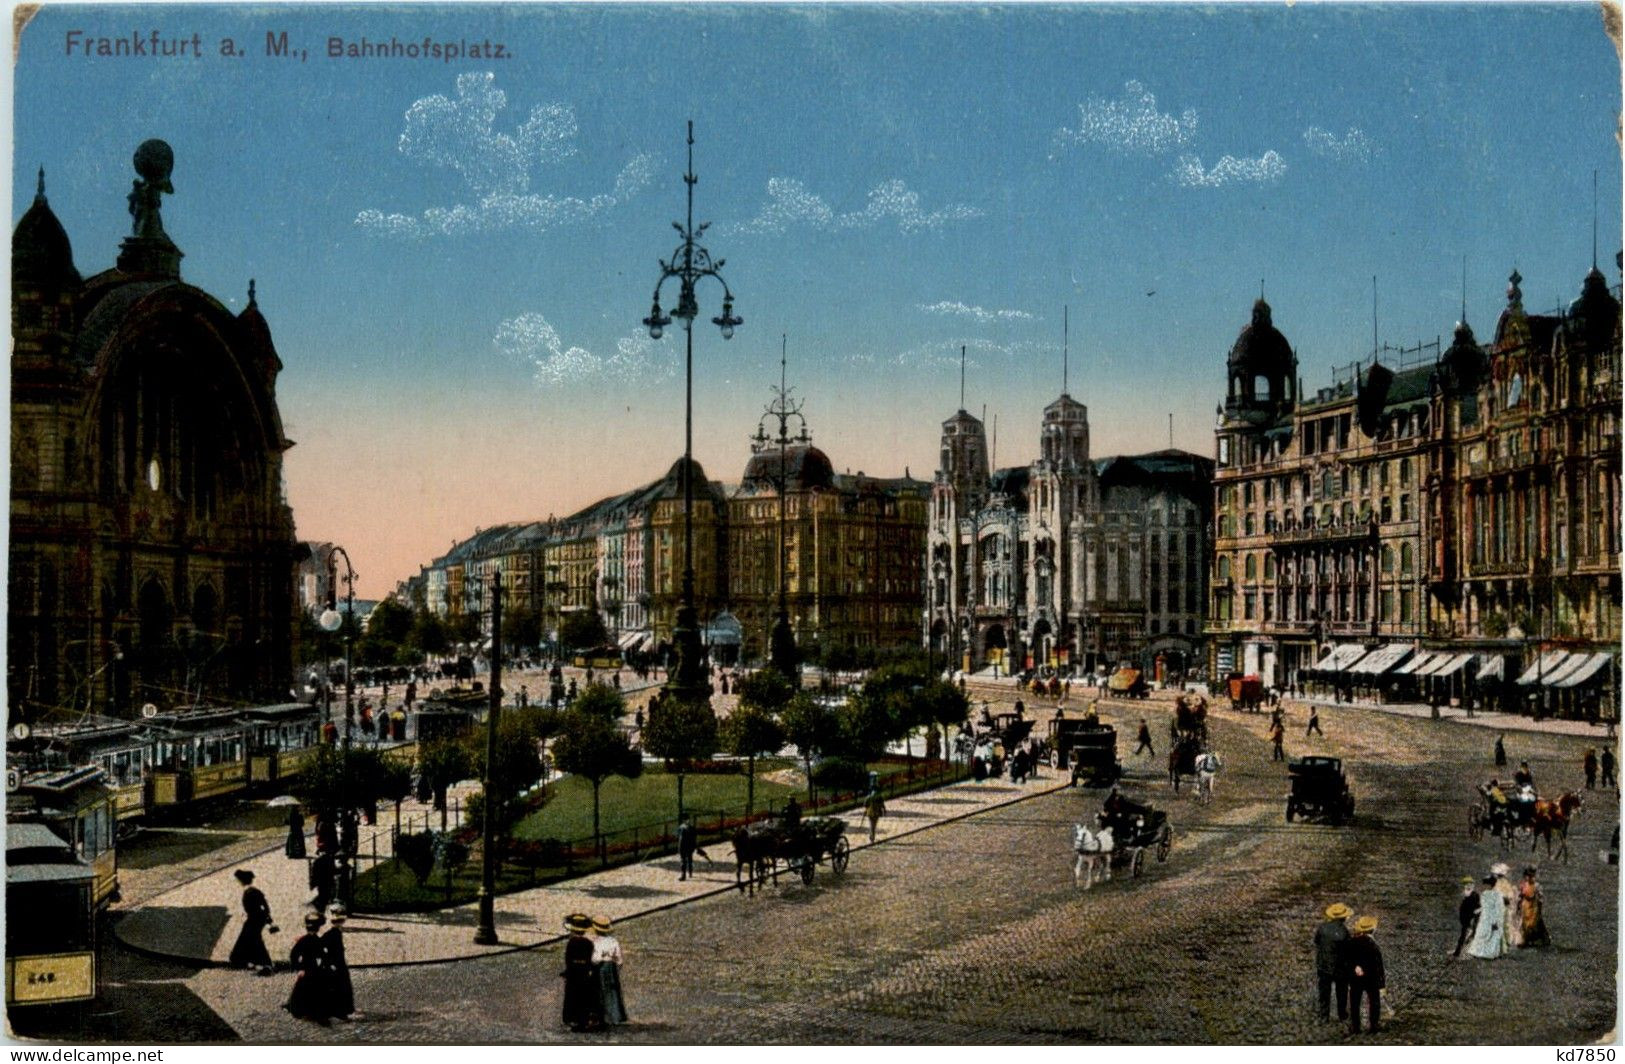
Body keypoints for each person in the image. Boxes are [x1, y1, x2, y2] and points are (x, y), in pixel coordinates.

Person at [284, 911, 330, 1024]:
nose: (314, 930)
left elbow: (322, 954)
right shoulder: (304, 940)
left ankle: (310, 1008)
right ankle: (296, 1008)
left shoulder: (317, 940)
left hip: (314, 968)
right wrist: (300, 968)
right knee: (302, 988)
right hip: (306, 967)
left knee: (313, 988)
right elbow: (294, 955)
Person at [227, 869, 276, 974]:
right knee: (252, 940)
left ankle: (265, 965)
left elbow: (259, 907)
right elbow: (265, 906)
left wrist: (265, 919)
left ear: (242, 881)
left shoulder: (249, 892)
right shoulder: (254, 891)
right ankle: (258, 963)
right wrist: (268, 919)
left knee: (254, 941)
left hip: (254, 919)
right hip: (257, 919)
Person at [1344, 915, 1386, 1035]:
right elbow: (1379, 966)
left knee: (1354, 1002)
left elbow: (1346, 959)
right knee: (1374, 1002)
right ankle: (1373, 1026)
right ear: (1373, 930)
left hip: (1355, 977)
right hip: (1371, 978)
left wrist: (1354, 968)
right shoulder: (1373, 945)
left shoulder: (1352, 942)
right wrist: (1382, 985)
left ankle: (1355, 1026)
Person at [560, 913, 601, 1032]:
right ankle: (583, 1018)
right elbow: (590, 959)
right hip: (584, 972)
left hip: (573, 972)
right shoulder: (588, 943)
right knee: (583, 996)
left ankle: (571, 1018)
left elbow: (568, 959)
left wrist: (568, 971)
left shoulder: (571, 942)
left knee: (572, 995)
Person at [1313, 903, 1351, 1021]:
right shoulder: (1344, 932)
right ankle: (1342, 1014)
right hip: (1339, 967)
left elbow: (1317, 941)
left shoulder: (1322, 928)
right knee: (1341, 991)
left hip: (1323, 965)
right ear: (1343, 918)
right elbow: (1348, 950)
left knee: (1324, 991)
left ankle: (1324, 1015)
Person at [592, 916, 627, 1026]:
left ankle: (603, 1016)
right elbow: (619, 959)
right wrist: (616, 968)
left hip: (601, 967)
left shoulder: (596, 942)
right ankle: (616, 1016)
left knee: (600, 991)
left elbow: (595, 959)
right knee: (613, 991)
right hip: (611, 967)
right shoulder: (613, 941)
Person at [321, 907, 355, 1021]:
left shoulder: (332, 933)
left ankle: (338, 1010)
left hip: (337, 963)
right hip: (337, 964)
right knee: (341, 987)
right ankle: (340, 1011)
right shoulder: (334, 934)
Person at [1465, 874, 1506, 959]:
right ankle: (1478, 951)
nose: (1484, 886)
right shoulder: (1484, 895)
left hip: (1492, 917)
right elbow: (1484, 907)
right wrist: (1478, 911)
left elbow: (1499, 909)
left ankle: (1489, 952)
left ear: (1491, 885)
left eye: (1486, 884)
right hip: (1485, 917)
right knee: (1482, 933)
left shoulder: (1497, 895)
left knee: (1492, 934)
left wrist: (1496, 921)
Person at [1518, 866, 1550, 947]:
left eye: (1532, 876)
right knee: (1525, 924)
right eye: (1528, 876)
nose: (1530, 878)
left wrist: (1539, 907)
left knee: (1534, 923)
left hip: (1533, 907)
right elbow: (1520, 896)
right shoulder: (1523, 885)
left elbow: (1540, 898)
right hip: (1525, 907)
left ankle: (1540, 939)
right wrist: (1519, 904)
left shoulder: (1536, 886)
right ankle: (1526, 939)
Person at [1452, 875, 1480, 958]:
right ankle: (1459, 951)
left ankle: (1461, 951)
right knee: (1465, 935)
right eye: (1466, 884)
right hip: (1466, 917)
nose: (1468, 885)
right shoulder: (1467, 894)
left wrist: (1475, 914)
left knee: (1468, 935)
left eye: (1470, 884)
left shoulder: (1474, 895)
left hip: (1471, 917)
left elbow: (1477, 907)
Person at [676, 816, 698, 881]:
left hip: (687, 846)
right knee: (684, 860)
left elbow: (694, 838)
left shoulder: (686, 828)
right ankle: (685, 874)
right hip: (684, 847)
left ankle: (688, 873)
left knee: (688, 860)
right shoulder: (683, 828)